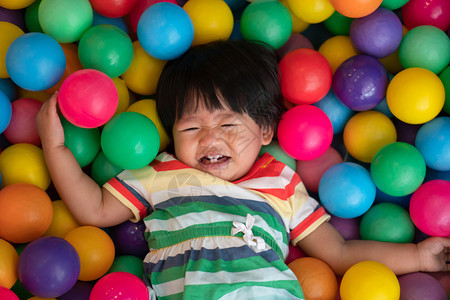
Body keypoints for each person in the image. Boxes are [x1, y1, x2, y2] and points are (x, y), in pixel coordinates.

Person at [36, 40, 449, 299]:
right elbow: (93, 209)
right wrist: (54, 145)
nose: (211, 139)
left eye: (229, 124)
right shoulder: (160, 172)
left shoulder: (282, 183)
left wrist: (418, 256)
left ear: (266, 129)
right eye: (192, 127)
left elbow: (339, 252)